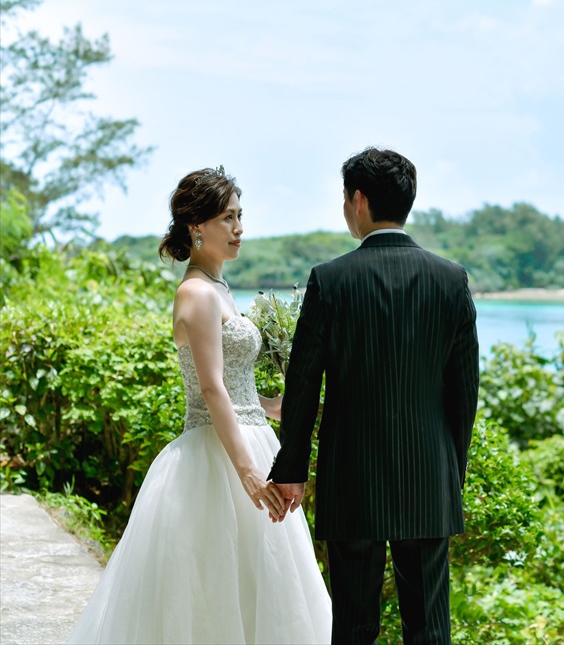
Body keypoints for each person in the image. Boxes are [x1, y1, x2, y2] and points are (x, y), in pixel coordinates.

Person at [67, 166, 332, 644]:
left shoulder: (220, 289)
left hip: (246, 437)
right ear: (196, 226)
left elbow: (239, 392)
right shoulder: (196, 293)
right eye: (228, 218)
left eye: (240, 216)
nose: (239, 229)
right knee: (214, 591)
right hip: (219, 458)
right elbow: (212, 391)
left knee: (260, 587)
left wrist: (284, 405)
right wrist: (249, 473)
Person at [268, 147, 480, 645]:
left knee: (354, 626)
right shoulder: (451, 280)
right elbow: (463, 391)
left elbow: (303, 384)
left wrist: (291, 469)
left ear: (358, 200)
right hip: (429, 477)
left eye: (345, 199)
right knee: (429, 629)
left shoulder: (330, 280)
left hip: (352, 478)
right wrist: (453, 472)